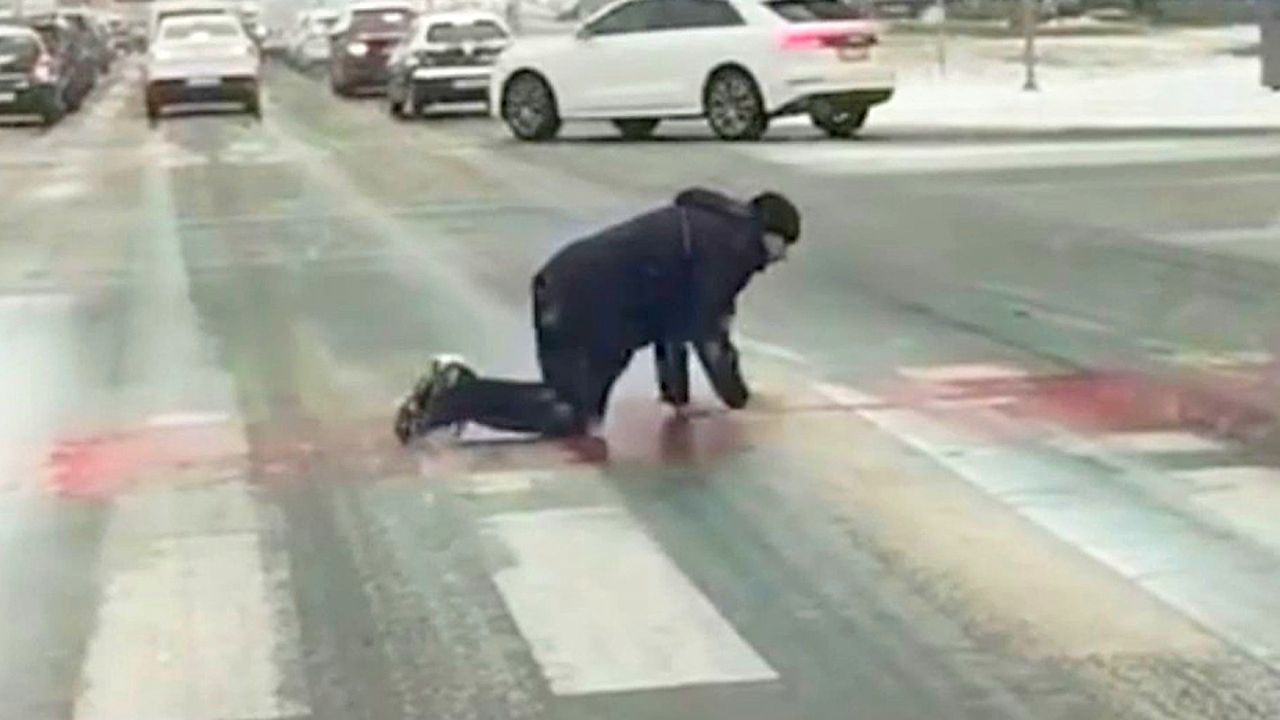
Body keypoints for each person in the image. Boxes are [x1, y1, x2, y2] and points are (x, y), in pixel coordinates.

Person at [394, 188, 801, 444]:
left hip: (584, 299)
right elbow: (707, 332)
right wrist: (740, 401)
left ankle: (458, 392)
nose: (783, 257)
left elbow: (677, 322)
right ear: (768, 234)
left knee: (579, 412)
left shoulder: (712, 231)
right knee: (568, 412)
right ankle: (454, 396)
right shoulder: (731, 250)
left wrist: (676, 398)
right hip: (581, 305)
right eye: (784, 245)